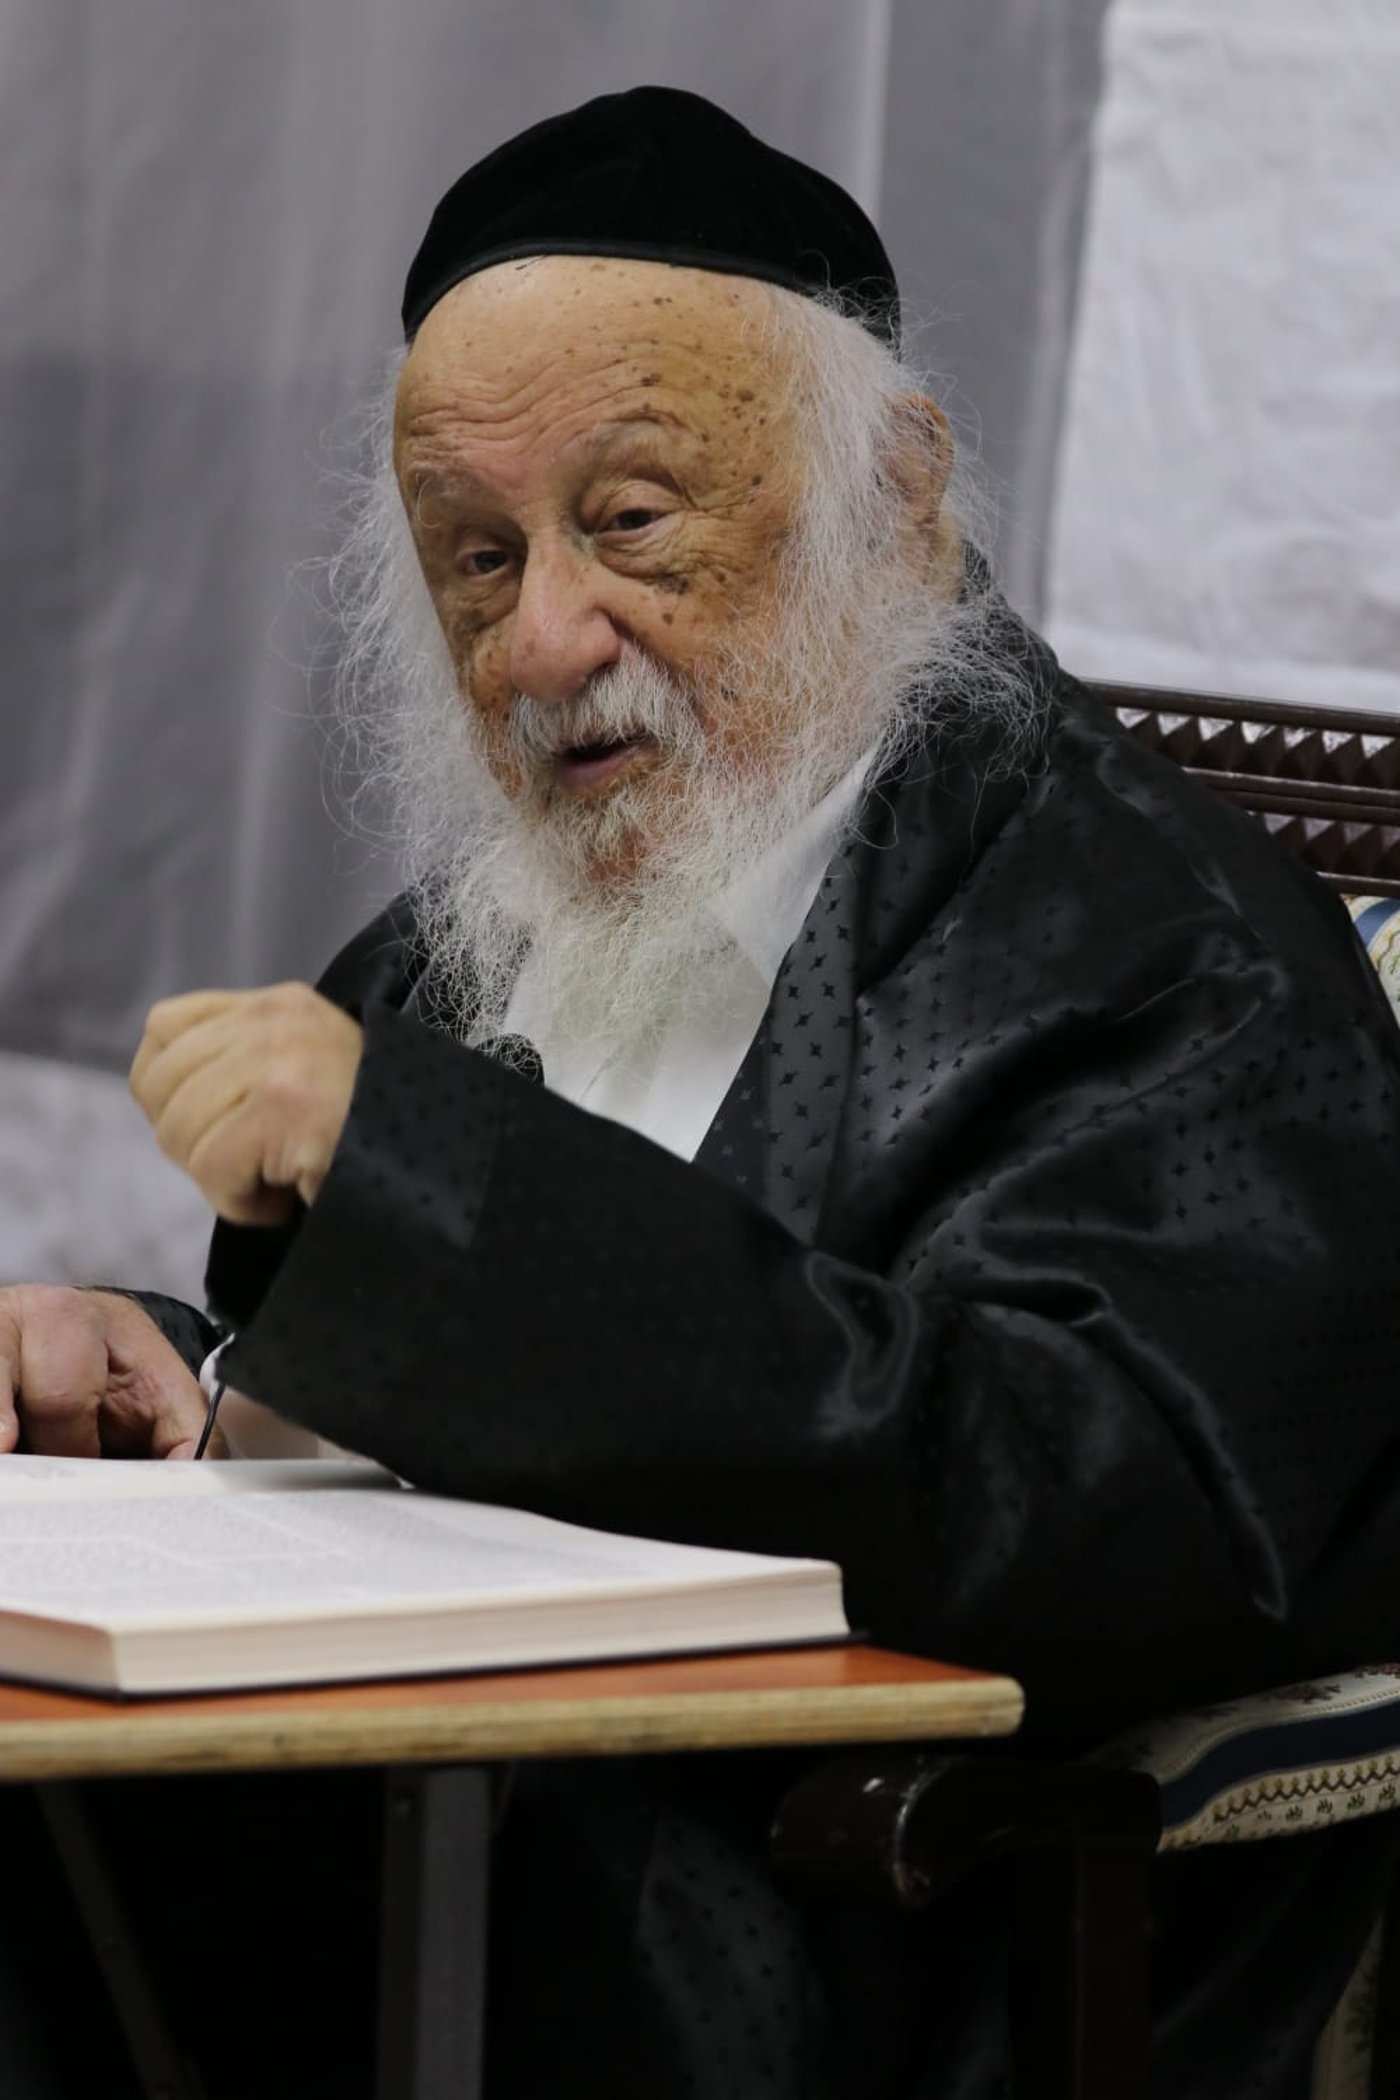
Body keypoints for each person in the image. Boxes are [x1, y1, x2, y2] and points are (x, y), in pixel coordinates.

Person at [2, 85, 1399, 2099]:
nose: (542, 641)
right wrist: (170, 1381)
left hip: (836, 1940)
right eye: (476, 557)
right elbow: (401, 1392)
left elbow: (1097, 1518)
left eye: (633, 522)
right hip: (414, 1834)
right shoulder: (482, 935)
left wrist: (435, 1184)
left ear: (896, 494)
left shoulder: (1164, 958)